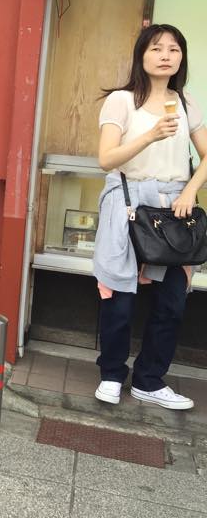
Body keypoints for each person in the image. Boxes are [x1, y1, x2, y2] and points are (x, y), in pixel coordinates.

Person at [93, 24, 206, 411]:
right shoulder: (122, 101)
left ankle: (149, 380)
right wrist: (150, 135)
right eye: (157, 48)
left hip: (174, 207)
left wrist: (191, 190)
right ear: (142, 55)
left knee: (172, 301)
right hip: (127, 204)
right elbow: (106, 159)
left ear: (181, 58)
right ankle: (111, 373)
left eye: (174, 49)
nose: (165, 55)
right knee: (119, 298)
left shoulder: (186, 101)